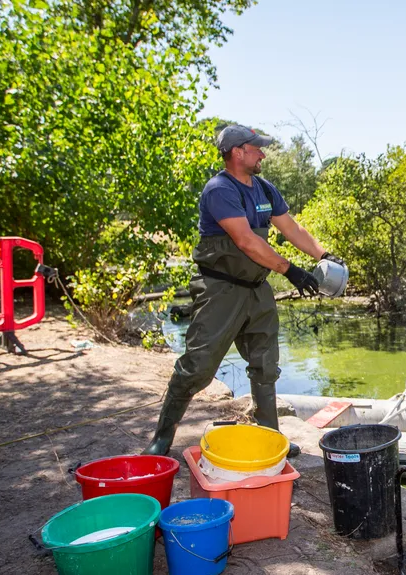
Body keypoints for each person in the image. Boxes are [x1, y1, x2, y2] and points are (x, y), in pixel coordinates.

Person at [143, 124, 344, 456]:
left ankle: (270, 439)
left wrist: (322, 255)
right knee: (198, 366)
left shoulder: (264, 189)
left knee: (266, 366)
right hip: (220, 291)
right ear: (237, 152)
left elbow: (291, 227)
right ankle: (162, 438)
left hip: (257, 289)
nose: (263, 153)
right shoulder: (219, 190)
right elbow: (246, 241)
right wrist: (290, 270)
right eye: (257, 148)